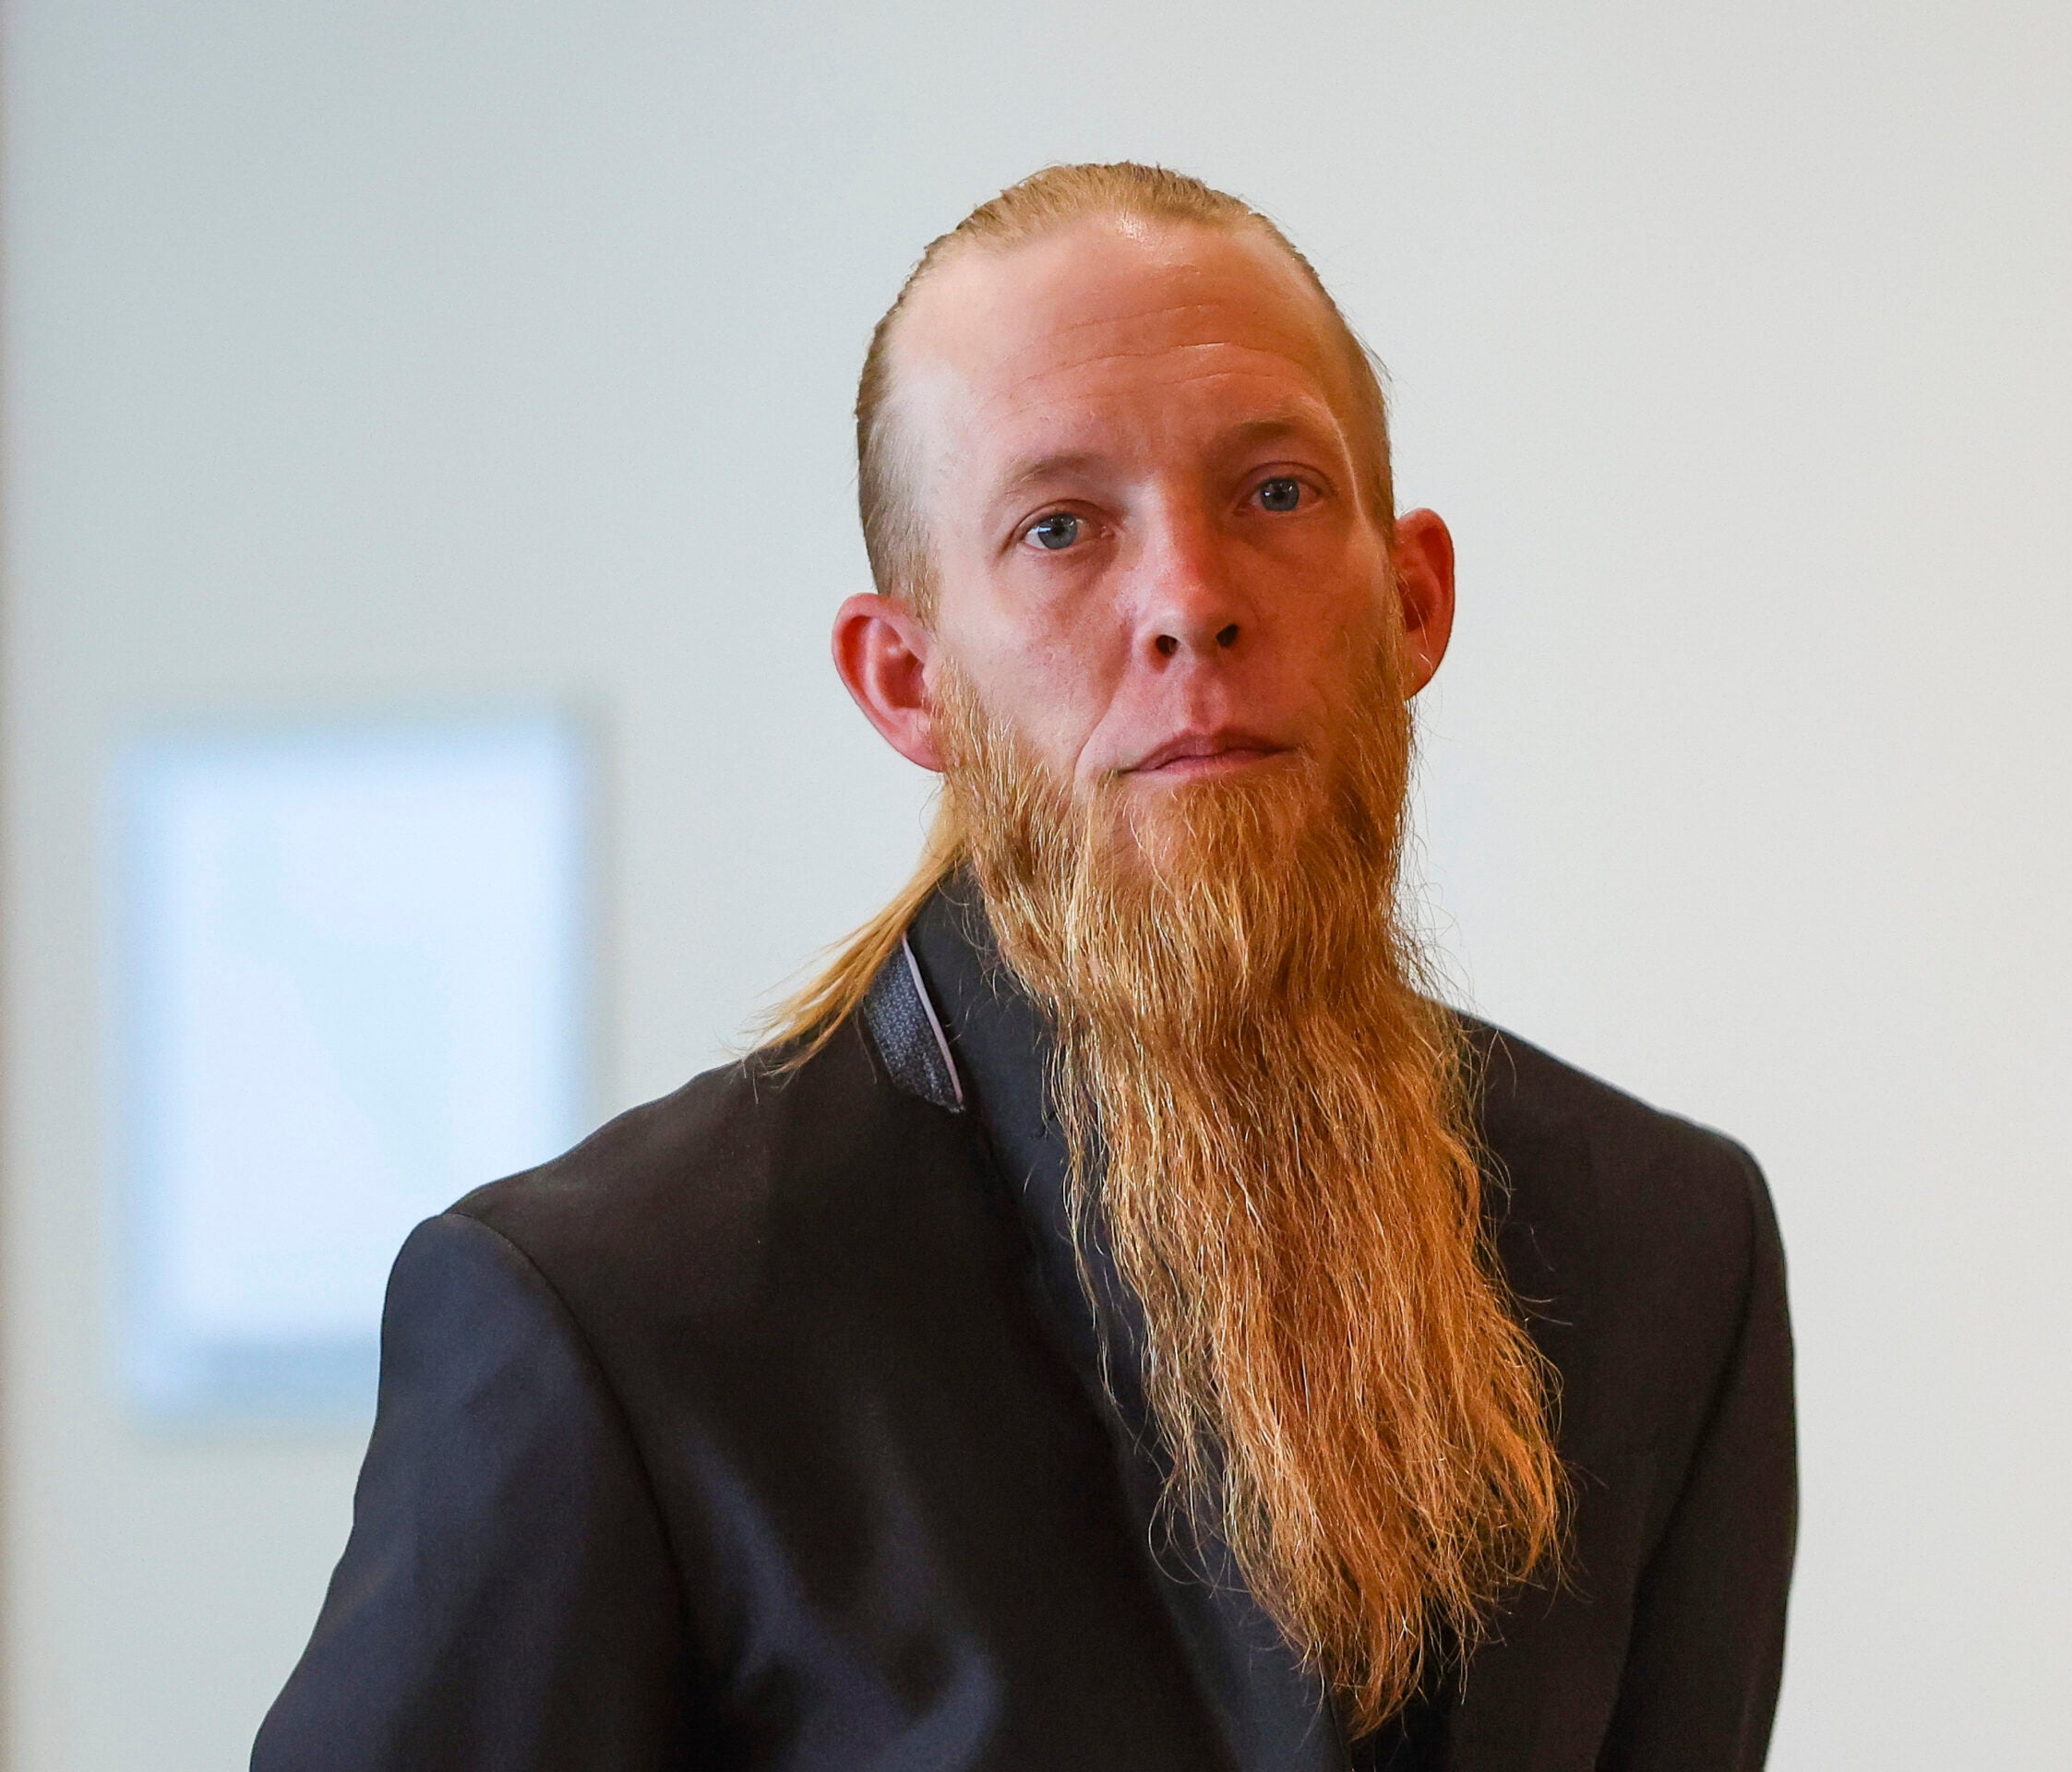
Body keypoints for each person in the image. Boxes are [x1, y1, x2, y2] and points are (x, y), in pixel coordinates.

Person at [254, 162, 1796, 1772]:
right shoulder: (605, 1319)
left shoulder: (1664, 1247)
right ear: (907, 681)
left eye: (1275, 493)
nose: (1191, 603)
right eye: (1061, 529)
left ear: (1413, 601)